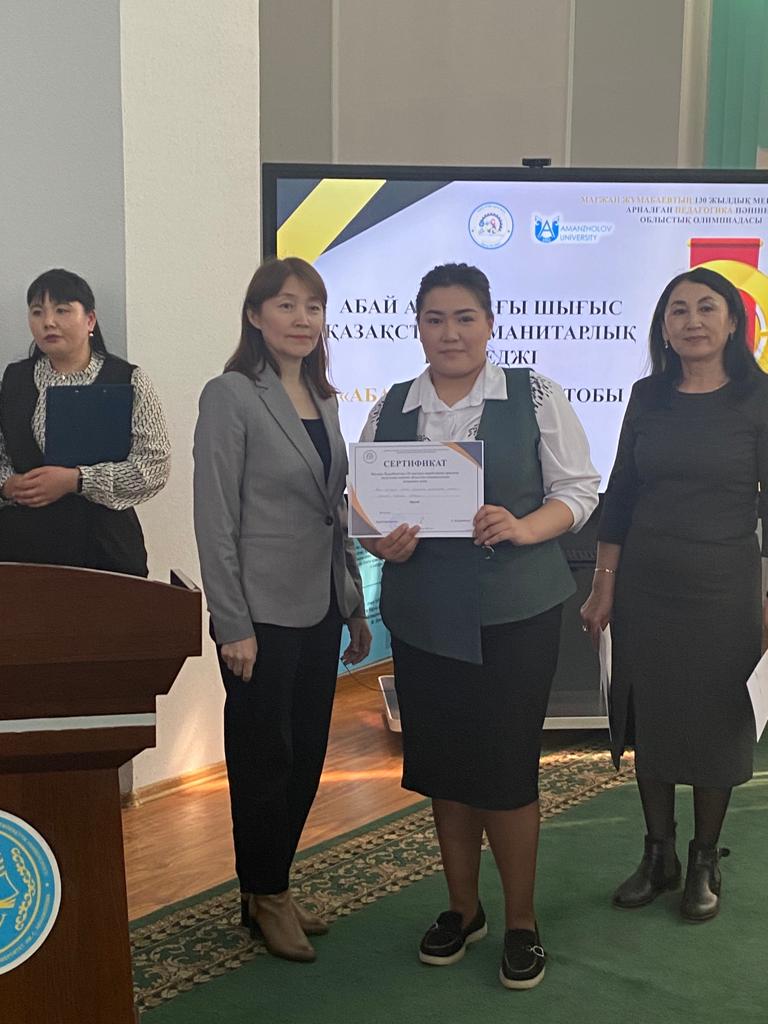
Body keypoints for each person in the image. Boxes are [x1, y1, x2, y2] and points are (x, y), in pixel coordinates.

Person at [359, 263, 599, 989]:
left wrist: (524, 527)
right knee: (445, 769)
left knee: (505, 770)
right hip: (424, 617)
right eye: (435, 319)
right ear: (417, 327)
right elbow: (363, 511)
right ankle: (463, 910)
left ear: (490, 324)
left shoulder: (534, 394)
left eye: (465, 318)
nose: (450, 333)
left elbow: (577, 492)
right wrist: (380, 542)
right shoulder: (391, 406)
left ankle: (522, 922)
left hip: (515, 614)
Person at [193, 256, 371, 963]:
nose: (302, 319)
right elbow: (215, 518)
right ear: (255, 315)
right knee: (264, 758)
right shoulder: (231, 395)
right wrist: (231, 622)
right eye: (287, 305)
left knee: (306, 757)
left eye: (313, 307)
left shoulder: (325, 398)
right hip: (259, 614)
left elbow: (333, 513)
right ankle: (264, 894)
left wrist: (353, 604)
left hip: (320, 604)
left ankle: (272, 883)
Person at [580, 266, 768, 922]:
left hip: (726, 589)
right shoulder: (647, 395)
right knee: (653, 719)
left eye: (706, 307)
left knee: (716, 725)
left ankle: (704, 859)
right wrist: (603, 585)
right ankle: (657, 855)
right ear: (663, 327)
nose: (692, 321)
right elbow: (621, 494)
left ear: (733, 321)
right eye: (678, 310)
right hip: (646, 585)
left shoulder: (758, 398)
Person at [0, 268, 170, 576]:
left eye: (62, 310)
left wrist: (77, 480)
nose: (48, 322)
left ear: (89, 320)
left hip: (106, 546)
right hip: (23, 547)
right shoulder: (13, 380)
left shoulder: (127, 380)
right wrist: (7, 484)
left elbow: (153, 465)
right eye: (37, 312)